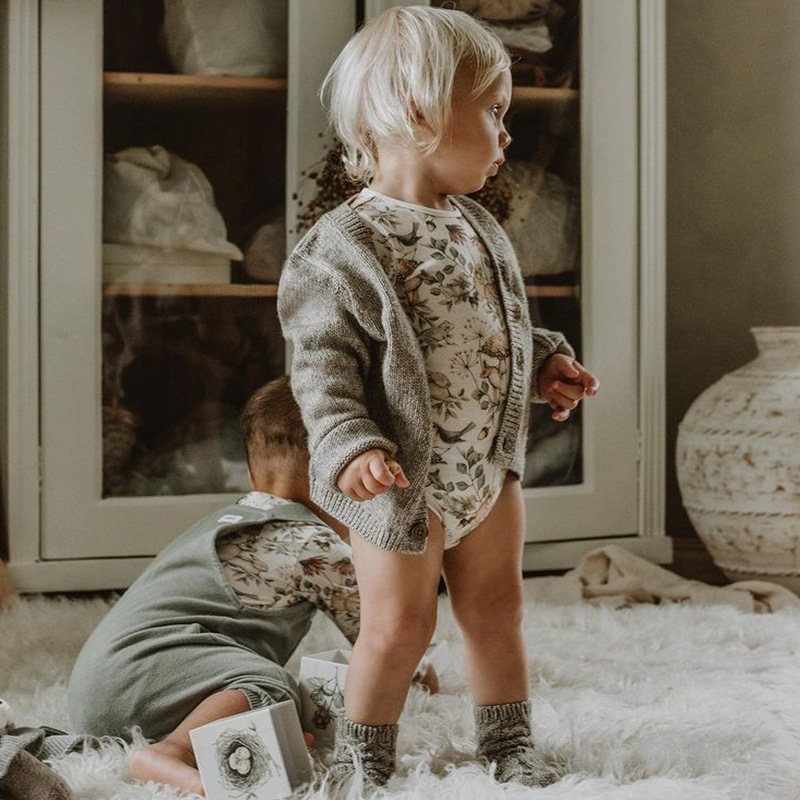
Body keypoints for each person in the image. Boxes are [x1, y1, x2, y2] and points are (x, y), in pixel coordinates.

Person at [277, 5, 599, 793]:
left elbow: (490, 324)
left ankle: (508, 744)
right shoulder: (342, 247)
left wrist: (546, 361)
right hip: (400, 483)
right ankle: (364, 759)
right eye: (493, 112)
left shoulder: (478, 226)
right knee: (400, 626)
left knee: (497, 611)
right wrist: (350, 443)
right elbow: (321, 365)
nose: (506, 134)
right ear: (421, 114)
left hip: (486, 470)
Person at [67, 376, 437, 797]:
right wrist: (426, 677)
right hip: (143, 679)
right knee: (270, 687)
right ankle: (171, 752)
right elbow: (391, 640)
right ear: (340, 479)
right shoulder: (314, 546)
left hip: (100, 690)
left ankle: (201, 734)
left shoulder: (229, 521)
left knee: (274, 707)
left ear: (249, 473)